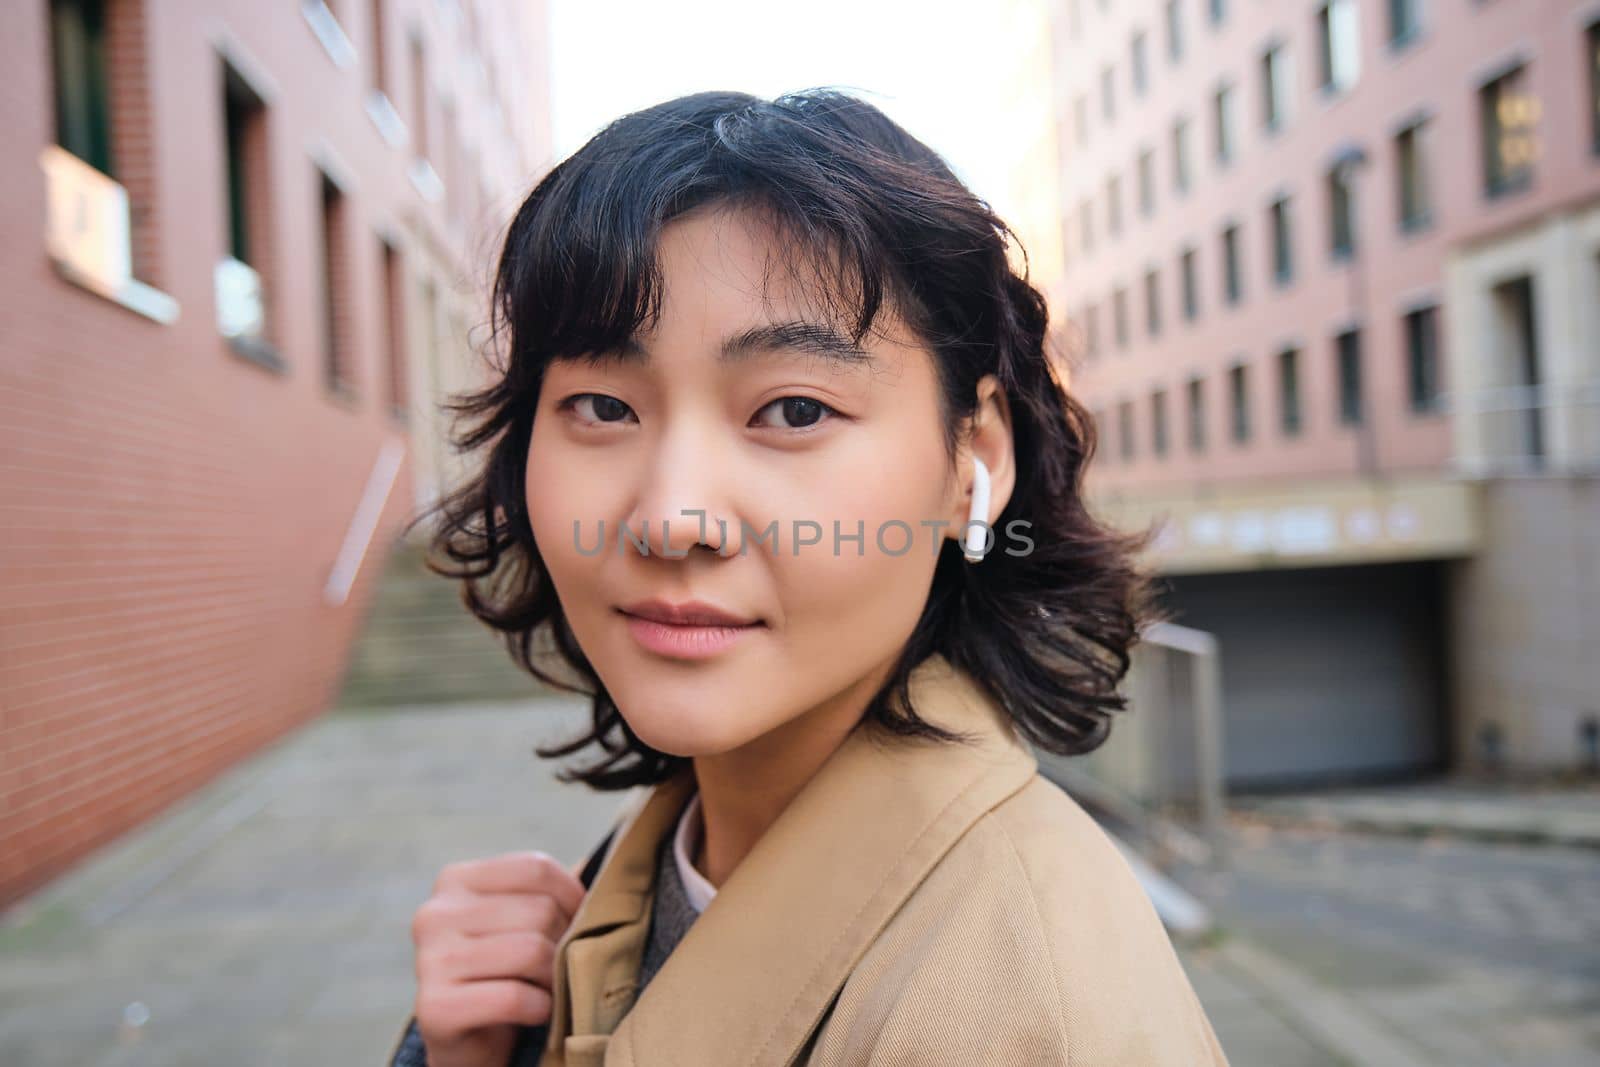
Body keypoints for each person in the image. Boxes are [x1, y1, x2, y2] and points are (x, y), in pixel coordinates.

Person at [393, 87, 1231, 1067]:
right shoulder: (671, 852)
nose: (670, 517)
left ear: (975, 460)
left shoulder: (1025, 1009)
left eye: (792, 410)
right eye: (602, 406)